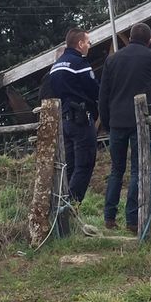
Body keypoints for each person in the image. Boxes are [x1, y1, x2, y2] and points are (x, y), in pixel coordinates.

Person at [99, 23, 151, 233]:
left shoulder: (112, 60)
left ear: (129, 37)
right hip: (140, 122)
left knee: (116, 170)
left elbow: (103, 95)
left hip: (116, 122)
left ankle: (109, 217)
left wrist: (106, 121)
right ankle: (132, 219)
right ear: (150, 39)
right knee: (137, 171)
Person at [49, 28, 99, 204]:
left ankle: (60, 206)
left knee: (68, 167)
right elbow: (94, 89)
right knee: (84, 164)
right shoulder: (79, 63)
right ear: (80, 44)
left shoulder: (56, 66)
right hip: (81, 120)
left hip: (63, 121)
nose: (89, 46)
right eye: (88, 42)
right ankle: (72, 206)